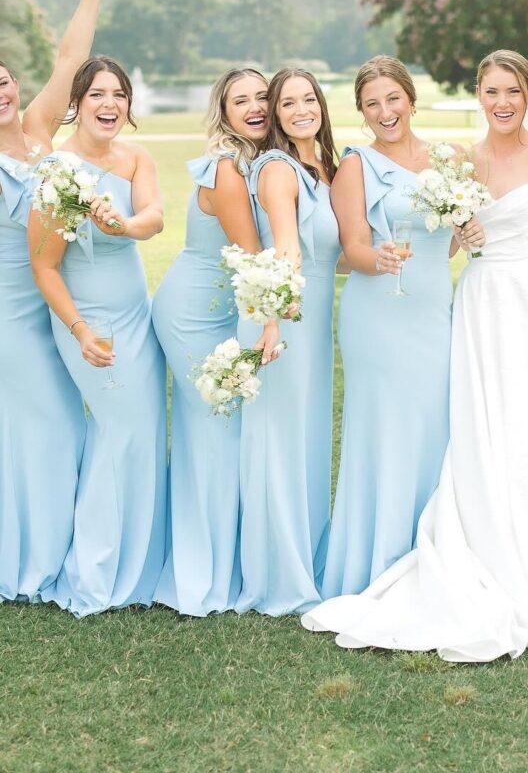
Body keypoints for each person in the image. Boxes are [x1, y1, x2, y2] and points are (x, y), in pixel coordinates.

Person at [303, 0, 528, 661]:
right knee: (481, 429)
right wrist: (462, 232)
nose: (502, 101)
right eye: (491, 91)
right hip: (477, 305)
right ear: (477, 96)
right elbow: (447, 236)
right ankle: (480, 542)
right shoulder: (460, 162)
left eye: (513, 91)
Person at [28, 57, 167, 617]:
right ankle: (97, 569)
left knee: (142, 433)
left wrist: (123, 226)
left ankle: (140, 564)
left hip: (137, 316)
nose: (110, 104)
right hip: (88, 323)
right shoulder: (57, 172)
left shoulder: (136, 157)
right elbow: (44, 268)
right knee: (119, 433)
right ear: (76, 104)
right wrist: (80, 330)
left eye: (119, 94)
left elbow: (154, 217)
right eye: (97, 94)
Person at [320, 57, 454, 596]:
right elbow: (352, 246)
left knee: (434, 424)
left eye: (392, 99)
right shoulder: (356, 165)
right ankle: (379, 558)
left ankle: (435, 551)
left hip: (434, 311)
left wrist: (466, 234)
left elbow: (448, 240)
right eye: (372, 104)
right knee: (386, 428)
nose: (385, 112)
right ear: (361, 111)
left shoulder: (446, 159)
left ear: (410, 99)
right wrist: (380, 260)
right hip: (378, 313)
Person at [0, 0, 107, 602]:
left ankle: (62, 542)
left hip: (61, 301)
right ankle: (33, 558)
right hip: (13, 313)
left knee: (67, 420)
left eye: (1, 79)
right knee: (47, 425)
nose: (0, 92)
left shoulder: (40, 127)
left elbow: (70, 57)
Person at [151, 68, 278, 616]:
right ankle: (206, 573)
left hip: (225, 312)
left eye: (262, 97)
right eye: (240, 100)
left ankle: (221, 558)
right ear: (223, 113)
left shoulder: (258, 163)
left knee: (218, 434)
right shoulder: (227, 168)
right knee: (216, 436)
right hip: (192, 315)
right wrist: (273, 320)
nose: (254, 107)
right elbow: (253, 256)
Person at [235, 69, 341, 615]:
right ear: (275, 115)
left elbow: (333, 255)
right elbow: (285, 248)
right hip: (283, 317)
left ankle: (308, 557)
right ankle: (279, 575)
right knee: (278, 445)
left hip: (312, 319)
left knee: (306, 439)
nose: (302, 110)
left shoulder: (323, 168)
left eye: (309, 99)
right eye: (288, 103)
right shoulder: (277, 168)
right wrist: (272, 323)